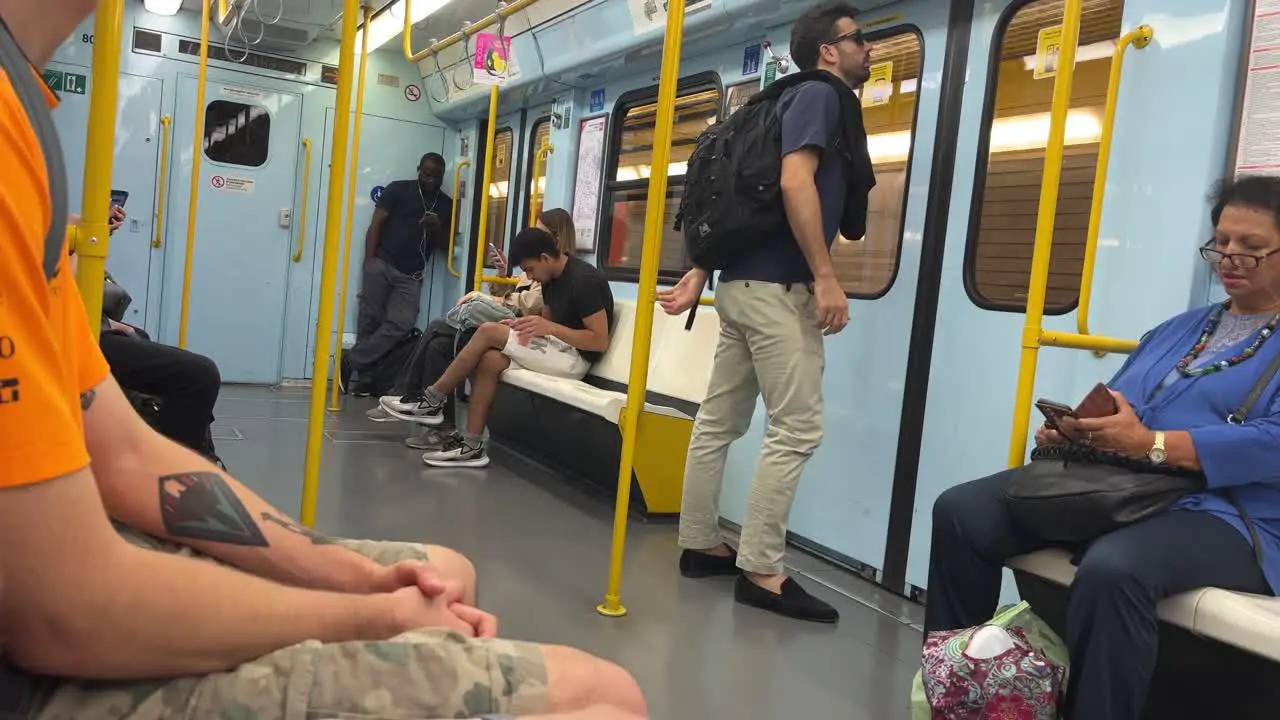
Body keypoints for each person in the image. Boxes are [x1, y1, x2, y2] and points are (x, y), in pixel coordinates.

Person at [0, 9, 645, 719]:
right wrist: (367, 615)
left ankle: (427, 399)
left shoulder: (23, 113)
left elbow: (124, 454)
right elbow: (65, 605)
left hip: (83, 561)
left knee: (447, 569)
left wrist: (351, 578)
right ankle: (425, 397)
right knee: (605, 697)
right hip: (40, 667)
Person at [925, 175, 1280, 720]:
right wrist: (1082, 431)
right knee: (961, 512)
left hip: (1234, 514)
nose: (1229, 258)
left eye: (1252, 249)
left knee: (1116, 569)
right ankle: (958, 692)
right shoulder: (1181, 329)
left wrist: (1154, 444)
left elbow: (1271, 442)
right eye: (1221, 243)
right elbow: (1123, 401)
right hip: (1129, 486)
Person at [655, 0, 875, 623]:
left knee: (718, 421)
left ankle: (700, 543)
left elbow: (751, 209)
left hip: (742, 287)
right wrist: (825, 277)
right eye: (859, 39)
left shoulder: (776, 101)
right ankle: (761, 569)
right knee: (797, 428)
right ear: (829, 51)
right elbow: (792, 185)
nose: (869, 48)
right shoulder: (822, 99)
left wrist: (703, 267)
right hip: (780, 292)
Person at [390, 227, 614, 468]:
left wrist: (549, 329)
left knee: (487, 330)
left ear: (545, 258)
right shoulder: (550, 278)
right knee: (490, 360)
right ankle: (472, 445)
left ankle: (432, 399)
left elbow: (598, 341)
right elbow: (547, 324)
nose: (531, 277)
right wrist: (522, 326)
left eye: (530, 269)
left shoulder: (584, 281)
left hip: (576, 359)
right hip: (557, 349)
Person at [371, 209, 579, 455]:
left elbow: (530, 302)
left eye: (539, 230)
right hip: (514, 325)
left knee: (440, 328)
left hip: (521, 332)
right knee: (439, 345)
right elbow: (516, 296)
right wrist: (503, 277)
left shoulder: (556, 271)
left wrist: (496, 299)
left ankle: (407, 394)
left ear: (554, 238)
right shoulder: (535, 264)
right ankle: (441, 425)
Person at [93, 204, 224, 460]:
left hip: (75, 321)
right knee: (200, 375)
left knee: (139, 336)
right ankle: (173, 468)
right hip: (60, 332)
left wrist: (96, 228)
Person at [345, 152, 453, 396]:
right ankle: (366, 379)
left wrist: (437, 229)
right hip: (382, 263)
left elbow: (447, 246)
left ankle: (351, 360)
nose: (431, 180)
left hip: (411, 274)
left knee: (402, 323)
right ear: (418, 170)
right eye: (427, 173)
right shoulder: (399, 190)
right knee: (370, 319)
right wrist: (369, 261)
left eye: (437, 176)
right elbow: (376, 224)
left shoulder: (445, 204)